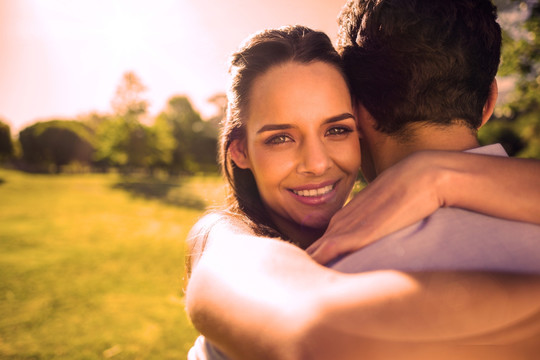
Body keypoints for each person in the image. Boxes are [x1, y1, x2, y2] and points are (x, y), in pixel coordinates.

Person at [186, 18, 540, 360]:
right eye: (280, 138)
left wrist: (440, 175)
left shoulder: (385, 217)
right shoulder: (226, 243)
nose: (317, 163)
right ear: (240, 150)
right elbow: (318, 332)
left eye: (336, 129)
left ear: (361, 121)